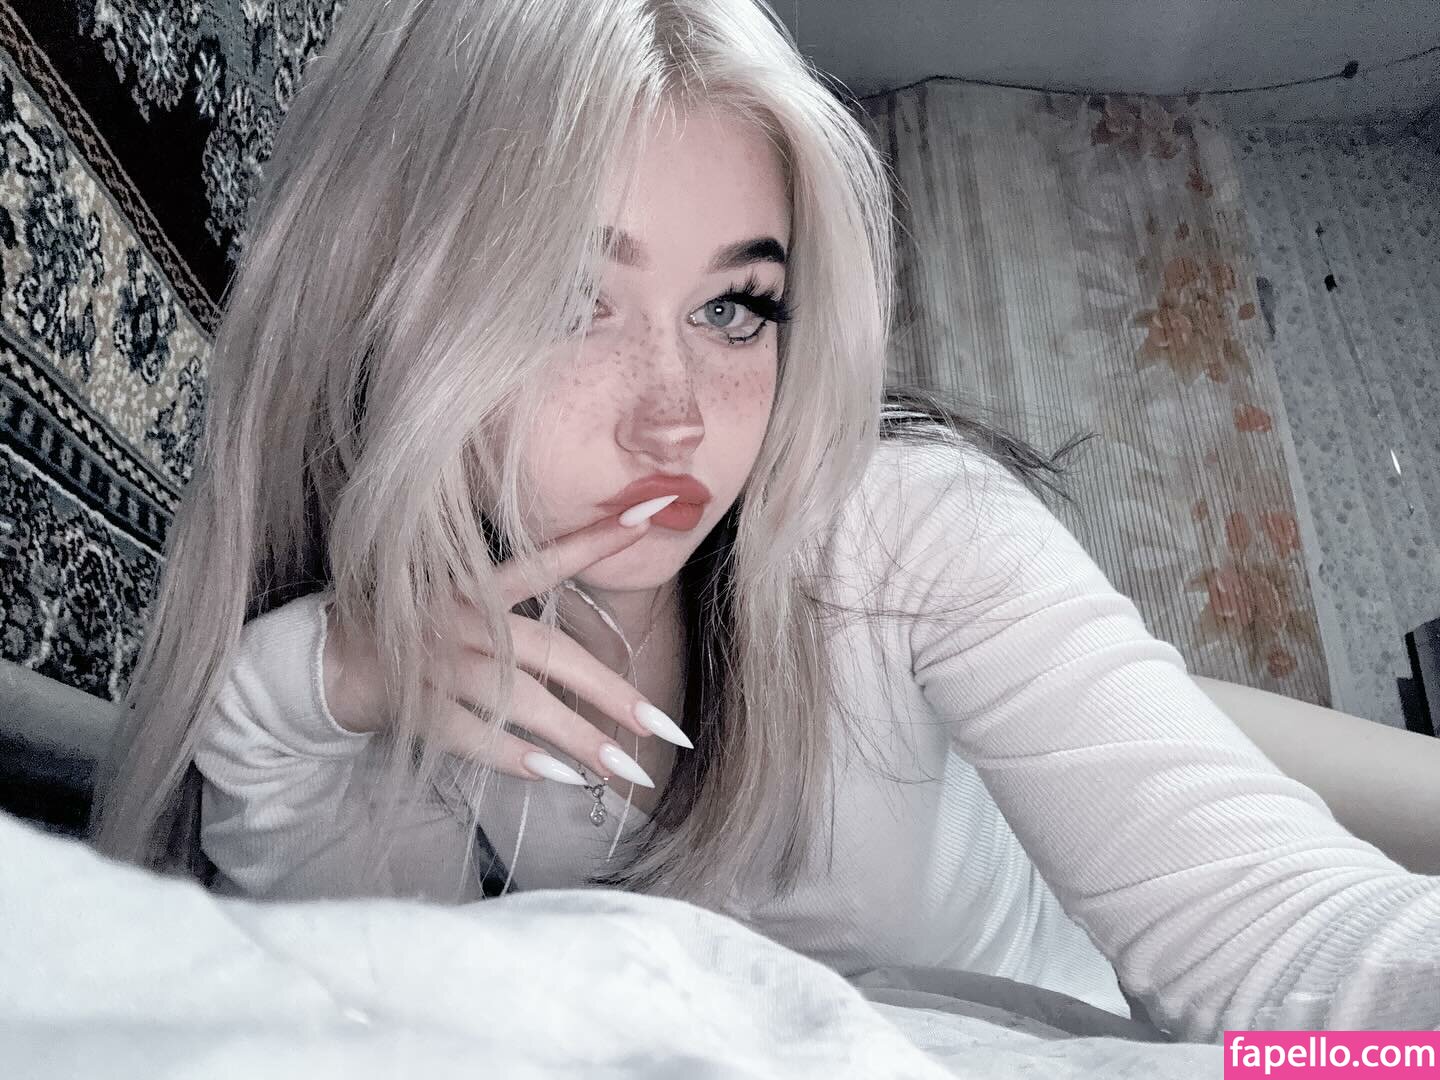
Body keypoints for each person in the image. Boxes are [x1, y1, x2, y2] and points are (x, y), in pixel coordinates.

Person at [87, 0, 1440, 1043]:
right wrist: (332, 674)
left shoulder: (905, 535)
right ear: (379, 313)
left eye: (735, 308)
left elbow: (1290, 953)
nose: (675, 420)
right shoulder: (379, 700)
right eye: (570, 302)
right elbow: (334, 965)